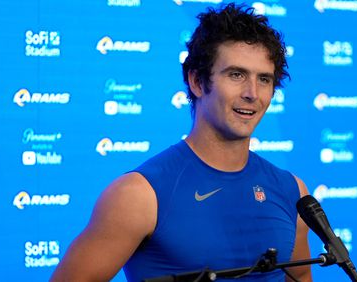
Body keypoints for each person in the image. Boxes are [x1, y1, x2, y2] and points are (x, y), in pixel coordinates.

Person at [51, 3, 312, 282]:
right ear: (198, 81)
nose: (252, 93)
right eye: (236, 75)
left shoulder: (292, 191)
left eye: (264, 79)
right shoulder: (138, 194)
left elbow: (300, 276)